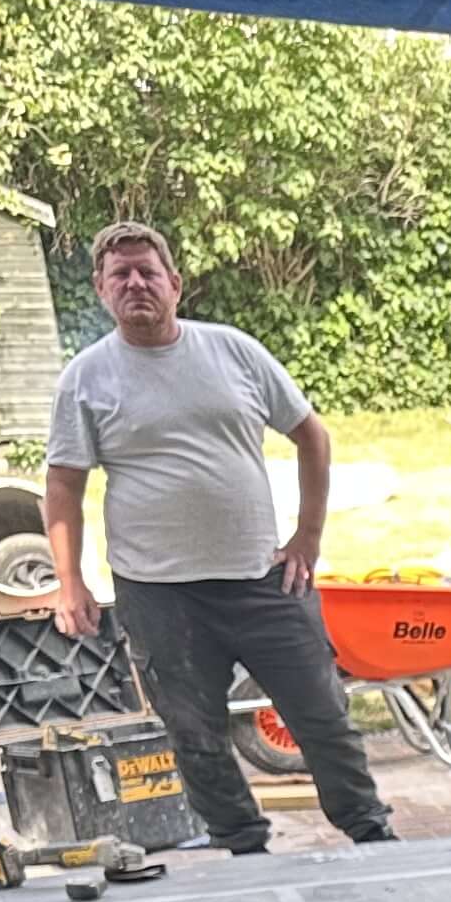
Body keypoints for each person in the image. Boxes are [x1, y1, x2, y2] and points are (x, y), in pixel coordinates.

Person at [42, 221, 392, 853]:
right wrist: (71, 582)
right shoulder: (86, 379)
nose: (136, 284)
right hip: (159, 592)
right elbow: (64, 486)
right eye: (120, 275)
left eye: (148, 272)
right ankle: (242, 845)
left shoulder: (234, 352)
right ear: (101, 290)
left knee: (322, 716)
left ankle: (370, 832)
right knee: (194, 734)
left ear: (175, 284)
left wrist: (307, 537)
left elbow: (312, 437)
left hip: (263, 577)